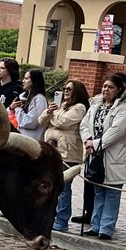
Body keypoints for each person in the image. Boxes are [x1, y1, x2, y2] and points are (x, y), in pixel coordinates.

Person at [82, 72, 126, 240]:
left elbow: (116, 132)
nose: (106, 90)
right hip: (96, 156)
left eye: (110, 87)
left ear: (119, 89)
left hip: (115, 157)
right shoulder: (96, 105)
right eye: (104, 86)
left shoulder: (124, 109)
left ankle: (106, 228)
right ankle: (95, 224)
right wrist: (88, 141)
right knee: (99, 192)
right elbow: (84, 124)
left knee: (112, 193)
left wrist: (96, 144)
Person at [41, 79, 89, 233]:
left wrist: (52, 116)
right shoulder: (61, 106)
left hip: (68, 154)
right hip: (52, 151)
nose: (66, 91)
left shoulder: (80, 108)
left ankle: (62, 219)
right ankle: (51, 215)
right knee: (51, 186)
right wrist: (48, 112)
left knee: (63, 187)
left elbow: (63, 122)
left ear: (77, 92)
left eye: (69, 89)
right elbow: (41, 121)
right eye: (64, 89)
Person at [13, 68, 48, 141]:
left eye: (26, 79)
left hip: (31, 141)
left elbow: (31, 122)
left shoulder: (39, 99)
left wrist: (17, 109)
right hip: (20, 137)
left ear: (34, 81)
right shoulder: (23, 96)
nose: (23, 81)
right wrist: (11, 107)